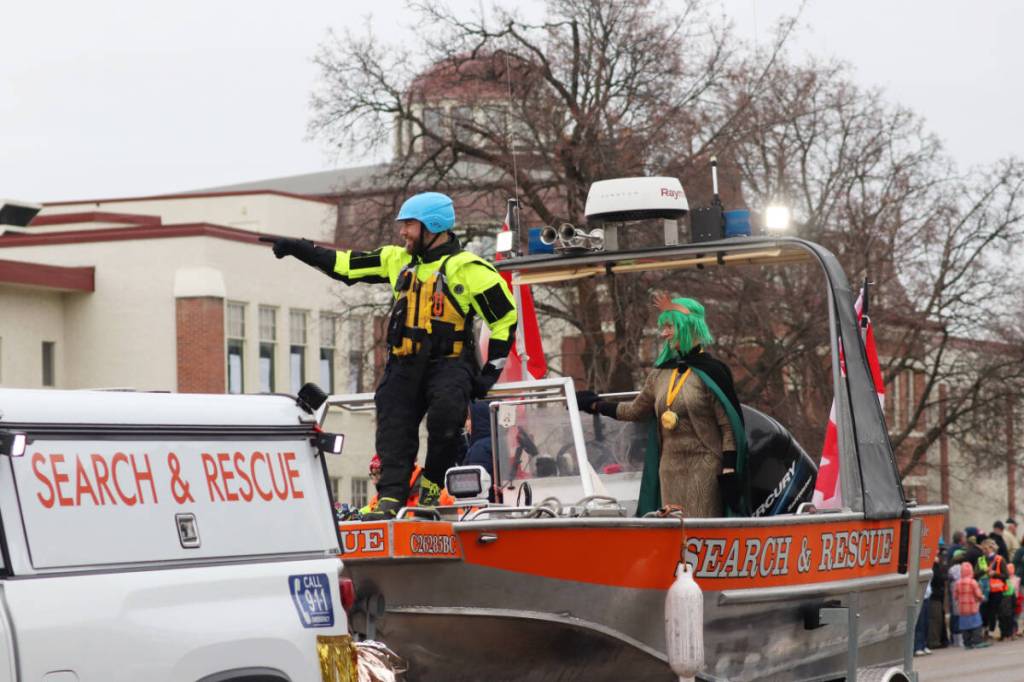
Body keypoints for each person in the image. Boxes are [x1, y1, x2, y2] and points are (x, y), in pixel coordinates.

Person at [268, 192, 518, 519]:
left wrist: (488, 375)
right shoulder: (395, 260)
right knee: (392, 425)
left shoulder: (469, 269)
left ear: (433, 226)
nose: (403, 232)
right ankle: (390, 499)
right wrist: (299, 248)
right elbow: (344, 266)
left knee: (446, 416)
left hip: (449, 364)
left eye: (409, 225)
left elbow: (505, 318)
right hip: (405, 365)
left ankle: (431, 485)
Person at [575, 294, 744, 518]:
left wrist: (729, 468)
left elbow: (728, 425)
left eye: (669, 327)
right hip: (669, 469)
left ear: (687, 326)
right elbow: (635, 411)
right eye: (663, 327)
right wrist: (595, 404)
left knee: (700, 529)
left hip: (705, 468)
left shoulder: (713, 372)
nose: (663, 334)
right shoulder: (660, 374)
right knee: (672, 528)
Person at [954, 560, 990, 649]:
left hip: (962, 609)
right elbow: (978, 594)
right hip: (972, 608)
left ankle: (967, 643)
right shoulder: (973, 582)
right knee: (976, 625)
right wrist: (983, 598)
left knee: (965, 626)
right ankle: (977, 641)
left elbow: (955, 596)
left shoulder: (957, 583)